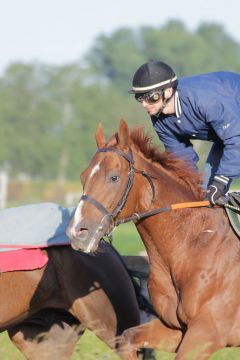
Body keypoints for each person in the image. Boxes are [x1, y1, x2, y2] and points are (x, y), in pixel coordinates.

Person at [128, 60, 240, 205]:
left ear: (168, 91)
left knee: (219, 183)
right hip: (229, 135)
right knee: (204, 194)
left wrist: (221, 182)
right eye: (140, 98)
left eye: (151, 97)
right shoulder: (159, 119)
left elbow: (236, 140)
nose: (144, 104)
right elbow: (182, 159)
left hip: (235, 132)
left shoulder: (206, 102)